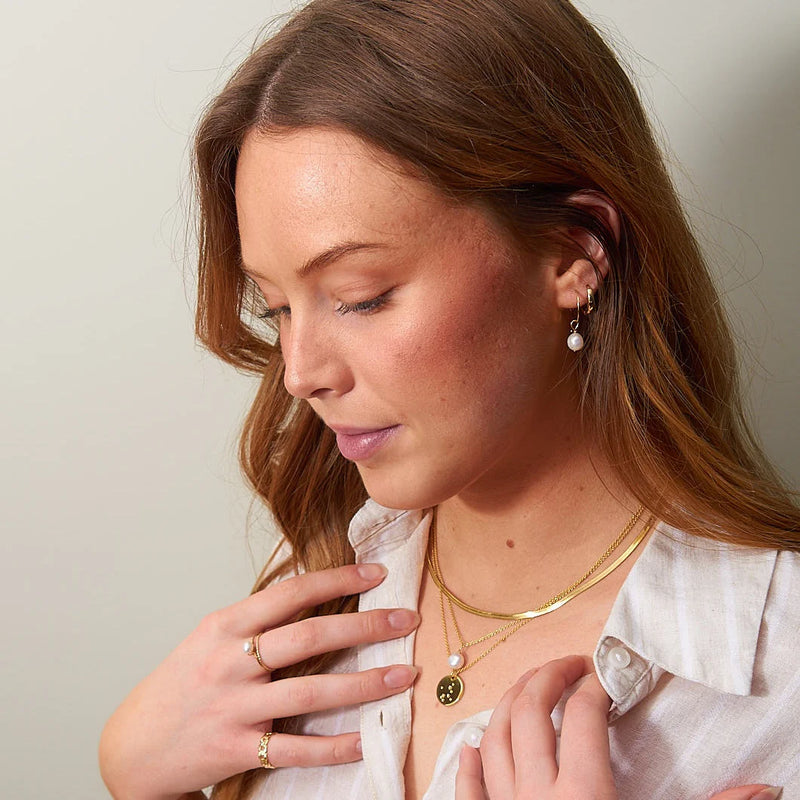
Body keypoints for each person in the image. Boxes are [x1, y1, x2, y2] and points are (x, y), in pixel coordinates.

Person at [98, 1, 800, 798]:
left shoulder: (775, 681)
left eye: (359, 296)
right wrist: (138, 780)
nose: (299, 372)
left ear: (576, 251)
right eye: (276, 307)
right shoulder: (314, 597)